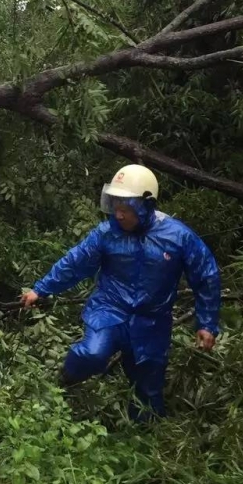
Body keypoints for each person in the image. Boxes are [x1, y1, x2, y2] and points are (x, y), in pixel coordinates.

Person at [20, 164, 221, 421]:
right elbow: (75, 263)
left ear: (145, 205)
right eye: (115, 205)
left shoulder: (179, 237)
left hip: (152, 321)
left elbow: (206, 276)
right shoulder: (107, 234)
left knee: (148, 392)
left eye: (126, 207)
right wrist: (41, 290)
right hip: (110, 310)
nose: (119, 214)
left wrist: (206, 323)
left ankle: (141, 437)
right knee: (92, 354)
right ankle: (66, 380)